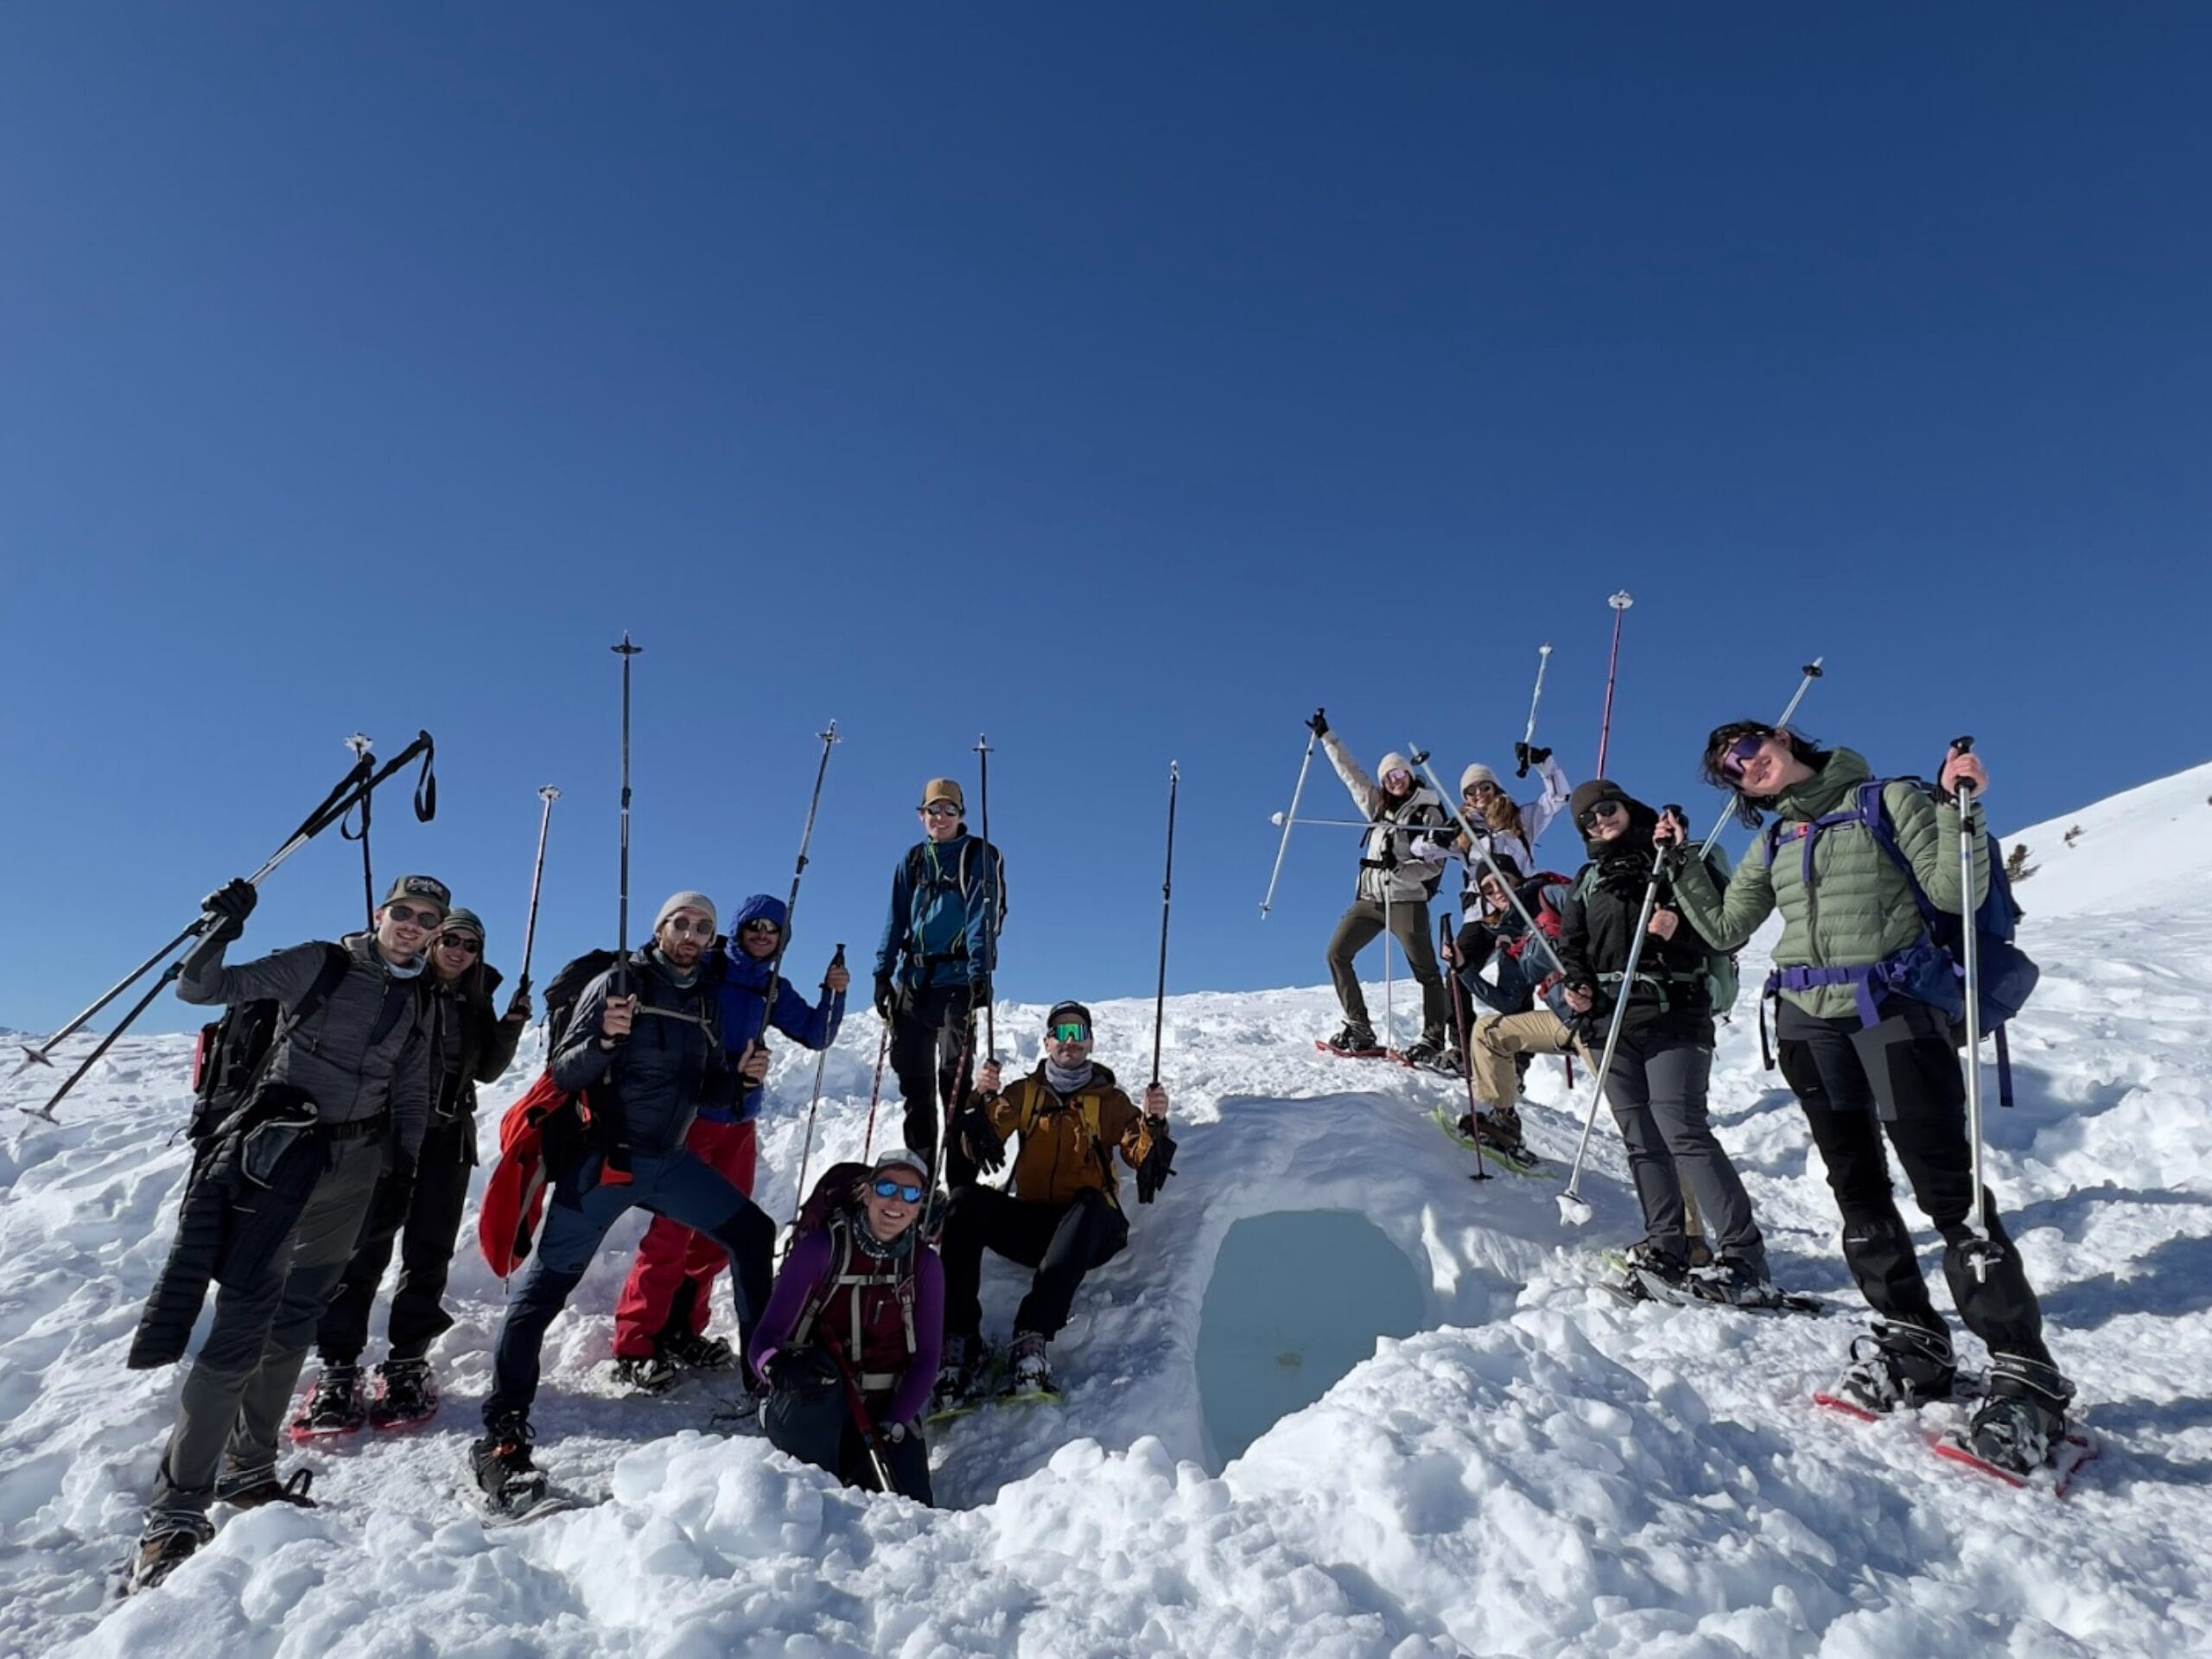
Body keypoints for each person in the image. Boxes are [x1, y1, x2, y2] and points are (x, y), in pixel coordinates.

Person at [1668, 723, 2074, 1473]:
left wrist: (1964, 809)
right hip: (1804, 1021)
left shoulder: (1889, 799)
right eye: (1729, 767)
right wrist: (1683, 865)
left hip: (1891, 1008)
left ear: (1784, 738)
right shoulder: (1777, 840)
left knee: (1947, 1191)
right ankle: (1913, 1341)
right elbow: (1727, 927)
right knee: (1855, 1187)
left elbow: (1957, 888)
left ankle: (2028, 1377)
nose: (1744, 764)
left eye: (1749, 746)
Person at [126, 874, 444, 1591]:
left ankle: (249, 1469)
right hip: (281, 1162)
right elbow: (200, 990)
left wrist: (404, 1170)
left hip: (356, 1169)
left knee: (297, 1320)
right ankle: (175, 1511)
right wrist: (221, 930)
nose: (413, 925)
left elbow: (415, 1089)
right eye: (403, 912)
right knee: (242, 1323)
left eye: (427, 918)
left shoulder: (422, 996)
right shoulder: (318, 962)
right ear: (380, 913)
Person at [472, 892, 778, 1516]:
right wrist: (606, 1043)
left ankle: (764, 1382)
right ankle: (502, 1432)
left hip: (666, 1160)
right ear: (660, 928)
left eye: (704, 928)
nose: (692, 935)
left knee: (752, 1232)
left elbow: (703, 1085)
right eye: (682, 924)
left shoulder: (703, 1001)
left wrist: (740, 1079)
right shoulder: (619, 983)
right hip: (603, 1163)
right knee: (543, 1293)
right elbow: (565, 1071)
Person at [294, 907, 529, 1433]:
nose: (459, 952)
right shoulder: (395, 985)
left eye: (470, 945)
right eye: (451, 939)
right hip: (384, 1137)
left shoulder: (475, 999)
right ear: (431, 941)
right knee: (362, 1250)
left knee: (429, 1251)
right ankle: (339, 1366)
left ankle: (407, 1360)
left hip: (447, 1139)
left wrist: (510, 1028)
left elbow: (487, 1070)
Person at [610, 893, 848, 1390]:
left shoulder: (772, 989)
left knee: (722, 1239)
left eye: (773, 929)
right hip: (691, 1120)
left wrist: (834, 994)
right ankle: (637, 1342)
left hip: (739, 1125)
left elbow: (817, 1034)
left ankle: (681, 1329)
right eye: (753, 926)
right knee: (670, 1236)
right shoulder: (707, 970)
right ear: (737, 929)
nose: (762, 934)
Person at [1554, 780, 1775, 1304]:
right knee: (1640, 1139)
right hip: (1612, 1022)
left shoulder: (1676, 860)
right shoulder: (1588, 880)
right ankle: (1666, 1245)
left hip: (1675, 1011)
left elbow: (1729, 932)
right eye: (1588, 819)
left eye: (1608, 809)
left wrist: (1679, 928)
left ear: (1628, 807)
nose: (1601, 821)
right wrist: (1578, 986)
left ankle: (1745, 1255)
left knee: (1682, 1128)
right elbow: (1573, 946)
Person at [933, 1001, 1172, 1404]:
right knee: (963, 1202)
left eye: (1078, 1033)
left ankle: (1032, 1337)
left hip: (1092, 1231)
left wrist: (1154, 1124)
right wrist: (979, 1101)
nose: (1070, 1041)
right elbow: (968, 1154)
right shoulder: (1024, 1094)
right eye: (1060, 1033)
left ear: (1091, 1042)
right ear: (1046, 1042)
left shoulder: (1110, 1101)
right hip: (1036, 1225)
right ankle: (960, 1341)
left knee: (1090, 1201)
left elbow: (1142, 1157)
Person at [750, 1149, 943, 1504]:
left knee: (912, 1508)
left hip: (884, 1410)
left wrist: (896, 1421)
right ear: (867, 1193)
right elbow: (763, 1339)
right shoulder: (821, 1250)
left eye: (911, 1194)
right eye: (886, 1188)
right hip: (815, 1397)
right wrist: (777, 1368)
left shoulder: (923, 1265)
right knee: (815, 1501)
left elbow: (928, 1357)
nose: (897, 1202)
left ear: (919, 1207)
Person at [874, 777, 1003, 1192]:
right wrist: (882, 973)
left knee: (955, 1084)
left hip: (957, 983)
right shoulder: (911, 861)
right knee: (915, 1087)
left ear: (961, 815)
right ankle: (920, 1189)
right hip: (913, 984)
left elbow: (983, 916)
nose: (941, 818)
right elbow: (896, 918)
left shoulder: (978, 855)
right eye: (934, 810)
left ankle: (960, 1189)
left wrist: (980, 972)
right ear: (921, 815)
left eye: (949, 810)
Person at [1307, 709, 1452, 1065]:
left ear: (1410, 774)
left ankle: (1434, 1037)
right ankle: (1359, 1025)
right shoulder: (1377, 806)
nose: (1395, 781)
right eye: (1388, 776)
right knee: (1336, 953)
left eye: (1401, 773)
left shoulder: (1428, 812)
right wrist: (1328, 738)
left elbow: (1435, 862)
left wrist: (1400, 869)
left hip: (1406, 901)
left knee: (1427, 972)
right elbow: (1350, 775)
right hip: (1370, 900)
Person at [1431, 745, 1573, 994]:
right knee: (1457, 968)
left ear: (1495, 787)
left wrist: (1544, 765)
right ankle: (1457, 1031)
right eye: (1471, 791)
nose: (1479, 794)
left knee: (1519, 978)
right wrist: (1438, 837)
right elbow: (1421, 849)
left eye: (1485, 786)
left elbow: (1558, 797)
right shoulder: (1462, 831)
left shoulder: (1520, 819)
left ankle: (1522, 1025)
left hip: (1521, 909)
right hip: (1481, 914)